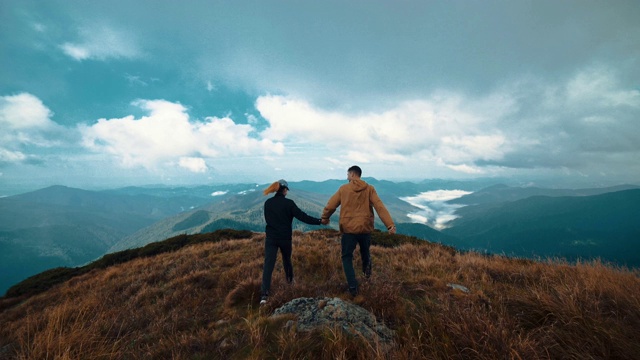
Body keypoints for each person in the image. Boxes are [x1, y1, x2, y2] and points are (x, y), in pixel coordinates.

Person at [321, 166, 396, 296]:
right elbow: (379, 206)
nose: (347, 176)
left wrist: (325, 218)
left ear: (352, 174)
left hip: (349, 230)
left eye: (348, 174)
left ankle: (353, 288)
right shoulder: (369, 189)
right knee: (365, 254)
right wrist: (389, 225)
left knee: (346, 257)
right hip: (365, 229)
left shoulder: (343, 189)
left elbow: (331, 205)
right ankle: (367, 279)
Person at [261, 179, 325, 305]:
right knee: (287, 261)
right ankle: (290, 283)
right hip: (285, 238)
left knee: (268, 265)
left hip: (271, 238)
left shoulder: (268, 203)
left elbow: (268, 220)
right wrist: (319, 221)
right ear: (284, 190)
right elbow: (302, 216)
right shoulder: (289, 203)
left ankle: (264, 295)